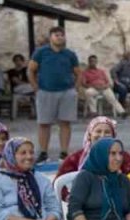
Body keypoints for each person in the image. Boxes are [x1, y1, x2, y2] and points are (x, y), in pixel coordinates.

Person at [29, 26, 81, 162]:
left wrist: (75, 89)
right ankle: (43, 152)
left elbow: (78, 73)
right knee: (44, 123)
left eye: (61, 35)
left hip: (66, 92)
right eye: (56, 35)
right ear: (50, 37)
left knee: (65, 123)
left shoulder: (70, 54)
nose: (59, 37)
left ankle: (64, 152)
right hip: (45, 92)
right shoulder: (41, 52)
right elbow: (31, 70)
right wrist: (35, 87)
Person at [56, 116, 130, 186]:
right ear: (90, 135)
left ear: (113, 136)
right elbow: (58, 182)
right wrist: (72, 197)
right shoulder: (75, 158)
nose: (102, 135)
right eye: (98, 131)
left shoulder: (123, 156)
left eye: (107, 132)